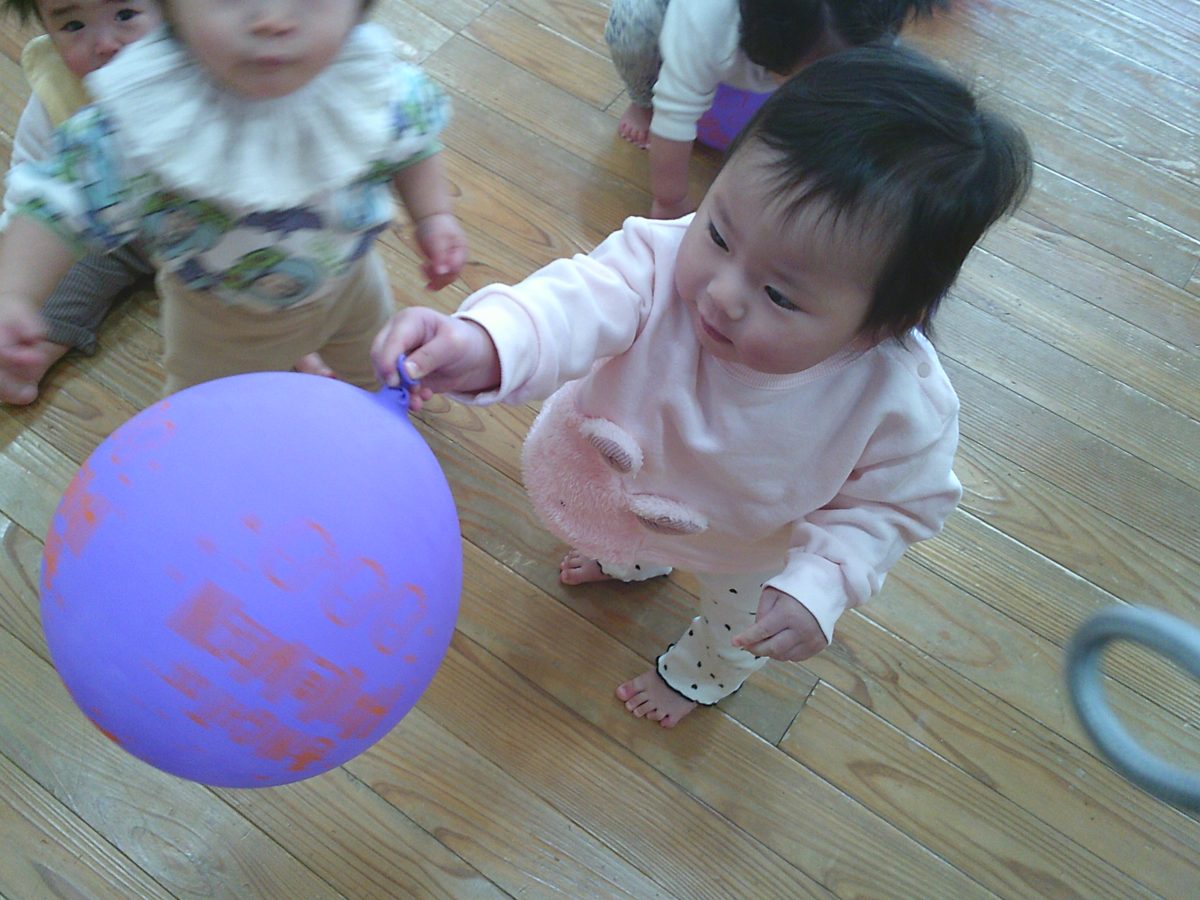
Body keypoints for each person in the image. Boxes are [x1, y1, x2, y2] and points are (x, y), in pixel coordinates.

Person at [372, 45, 1032, 727]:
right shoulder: (659, 261)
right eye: (718, 233)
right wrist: (486, 343)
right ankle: (632, 563)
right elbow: (575, 301)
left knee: (735, 628)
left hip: (749, 548)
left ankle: (699, 677)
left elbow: (892, 506)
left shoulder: (897, 401)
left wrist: (821, 583)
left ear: (881, 323)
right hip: (626, 490)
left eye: (779, 294)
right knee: (621, 529)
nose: (721, 293)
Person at [0, 0, 466, 399]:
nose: (272, 20)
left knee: (373, 372)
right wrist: (14, 293)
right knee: (209, 413)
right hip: (221, 322)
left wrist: (433, 215)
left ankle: (369, 420)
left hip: (353, 286)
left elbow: (413, 141)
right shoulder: (148, 116)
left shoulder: (369, 81)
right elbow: (57, 201)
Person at [605, 0, 943, 218]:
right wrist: (670, 201)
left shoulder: (868, 22)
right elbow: (675, 114)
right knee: (633, 25)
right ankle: (641, 101)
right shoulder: (706, 23)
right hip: (669, 19)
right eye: (808, 74)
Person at [0, 0, 163, 404]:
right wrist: (15, 295)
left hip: (220, 230)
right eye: (74, 26)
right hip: (116, 230)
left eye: (125, 15)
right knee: (45, 292)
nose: (105, 44)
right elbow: (37, 183)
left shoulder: (214, 60)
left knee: (276, 298)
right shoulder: (62, 89)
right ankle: (21, 361)